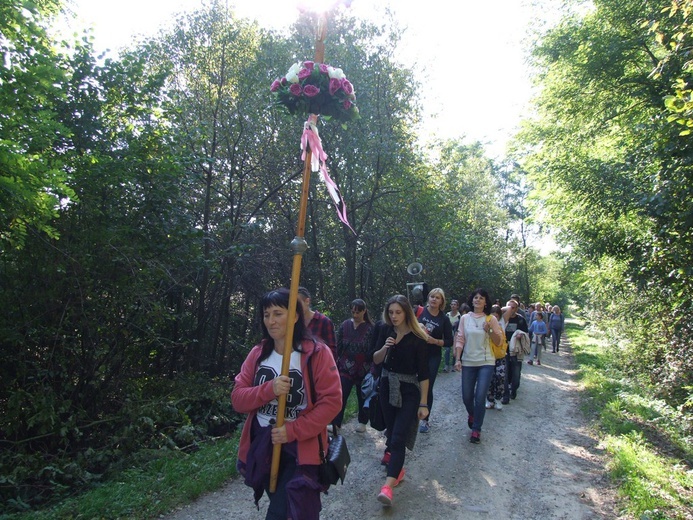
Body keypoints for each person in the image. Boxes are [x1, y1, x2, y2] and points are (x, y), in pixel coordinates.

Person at [232, 288, 342, 520]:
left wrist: (292, 430)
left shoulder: (317, 353)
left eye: (278, 313)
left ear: (294, 316)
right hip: (263, 443)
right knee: (281, 501)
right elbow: (238, 399)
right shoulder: (258, 353)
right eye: (266, 314)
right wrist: (268, 389)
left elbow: (332, 402)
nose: (271, 321)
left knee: (286, 510)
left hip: (300, 449)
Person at [371, 294, 430, 507]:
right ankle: (399, 470)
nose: (394, 316)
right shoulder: (385, 330)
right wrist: (386, 347)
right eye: (391, 312)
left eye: (398, 312)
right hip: (387, 386)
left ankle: (387, 487)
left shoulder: (419, 337)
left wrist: (423, 404)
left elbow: (424, 375)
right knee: (391, 431)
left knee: (398, 438)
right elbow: (376, 359)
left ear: (407, 312)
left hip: (409, 391)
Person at [454, 288, 503, 444]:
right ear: (472, 300)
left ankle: (476, 430)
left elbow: (499, 341)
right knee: (467, 396)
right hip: (468, 361)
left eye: (481, 298)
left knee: (480, 396)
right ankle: (473, 414)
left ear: (485, 301)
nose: (478, 300)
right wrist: (457, 358)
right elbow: (460, 338)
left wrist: (489, 330)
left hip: (486, 362)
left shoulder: (491, 319)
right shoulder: (465, 318)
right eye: (475, 297)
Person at [334, 299, 375, 432]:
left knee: (362, 394)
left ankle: (363, 422)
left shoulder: (370, 328)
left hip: (364, 367)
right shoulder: (345, 325)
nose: (355, 314)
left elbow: (373, 348)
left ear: (364, 311)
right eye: (353, 311)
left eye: (358, 312)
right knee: (341, 394)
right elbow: (338, 344)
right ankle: (336, 423)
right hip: (345, 366)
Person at [416, 287, 453, 433]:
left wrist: (435, 341)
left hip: (433, 355)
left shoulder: (444, 319)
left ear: (441, 301)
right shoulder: (419, 312)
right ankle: (410, 414)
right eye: (432, 296)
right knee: (412, 384)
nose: (434, 299)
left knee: (427, 386)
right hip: (415, 353)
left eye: (437, 297)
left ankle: (425, 419)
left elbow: (449, 341)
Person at [501, 298, 528, 403]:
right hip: (504, 349)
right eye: (509, 307)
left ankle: (514, 389)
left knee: (516, 374)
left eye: (513, 307)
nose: (511, 309)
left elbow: (526, 333)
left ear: (517, 309)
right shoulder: (502, 319)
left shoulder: (520, 319)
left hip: (516, 350)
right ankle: (505, 396)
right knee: (505, 372)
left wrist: (522, 335)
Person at [298, 287, 337, 360]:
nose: (294, 308)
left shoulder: (324, 322)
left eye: (297, 304)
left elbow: (332, 352)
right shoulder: (293, 322)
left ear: (307, 301)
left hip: (319, 367)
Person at [485, 304, 507, 410]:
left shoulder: (502, 325)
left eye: (497, 316)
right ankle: (489, 399)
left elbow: (498, 341)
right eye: (492, 315)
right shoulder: (485, 324)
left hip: (500, 357)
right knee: (489, 379)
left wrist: (490, 330)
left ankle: (498, 399)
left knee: (500, 378)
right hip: (489, 356)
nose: (494, 318)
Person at [444, 299, 462, 372]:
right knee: (447, 350)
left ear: (457, 306)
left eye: (455, 304)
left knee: (455, 349)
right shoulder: (447, 315)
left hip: (456, 334)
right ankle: (446, 365)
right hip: (448, 335)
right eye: (452, 304)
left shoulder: (459, 316)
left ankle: (453, 365)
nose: (453, 306)